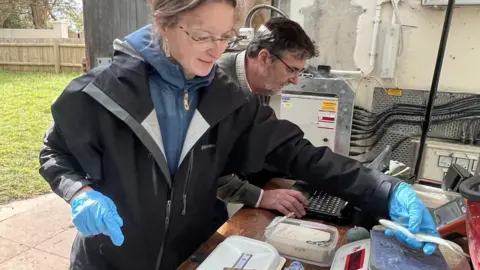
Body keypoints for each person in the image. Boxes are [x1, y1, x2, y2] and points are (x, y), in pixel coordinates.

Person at [39, 1, 439, 270]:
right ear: (164, 23)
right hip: (110, 260)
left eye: (226, 37)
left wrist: (385, 191)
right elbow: (55, 153)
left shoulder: (227, 100)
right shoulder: (101, 92)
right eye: (202, 36)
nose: (216, 51)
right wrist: (80, 193)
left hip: (194, 255)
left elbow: (301, 155)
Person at [213, 17, 318, 226]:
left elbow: (267, 143)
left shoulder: (260, 82)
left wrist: (311, 173)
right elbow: (206, 167)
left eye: (299, 71)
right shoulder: (217, 85)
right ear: (264, 57)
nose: (295, 80)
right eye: (292, 69)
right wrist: (260, 197)